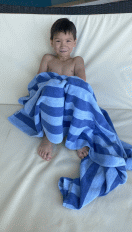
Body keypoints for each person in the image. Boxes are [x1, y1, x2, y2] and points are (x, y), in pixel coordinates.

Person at [37, 18, 89, 161]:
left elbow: (82, 83)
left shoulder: (77, 60)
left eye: (67, 40)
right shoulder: (48, 59)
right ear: (51, 42)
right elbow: (39, 81)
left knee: (80, 93)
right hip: (52, 100)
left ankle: (75, 136)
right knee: (51, 87)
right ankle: (49, 137)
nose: (63, 45)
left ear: (74, 43)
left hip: (70, 100)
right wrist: (55, 86)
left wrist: (65, 87)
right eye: (58, 40)